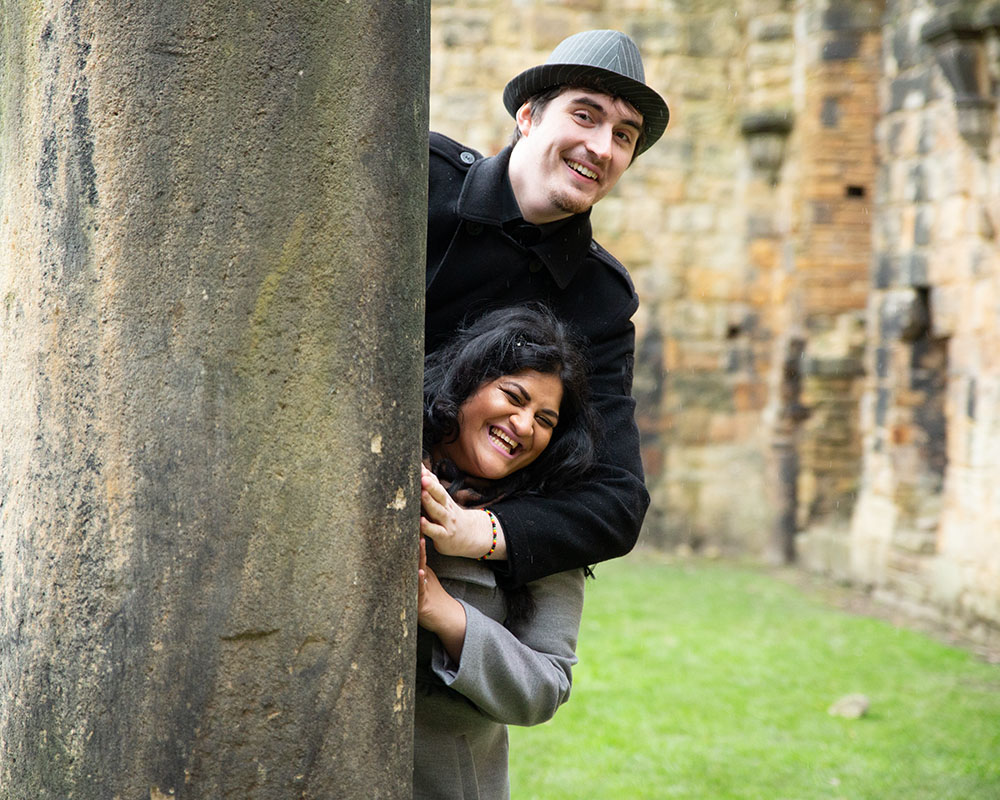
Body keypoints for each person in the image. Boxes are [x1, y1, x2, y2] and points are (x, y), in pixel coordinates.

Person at [424, 29, 670, 587]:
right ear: (528, 117)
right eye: (585, 116)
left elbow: (617, 500)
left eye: (624, 136)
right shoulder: (420, 182)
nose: (603, 148)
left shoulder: (602, 300)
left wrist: (480, 529)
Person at [414, 304, 597, 800]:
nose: (522, 425)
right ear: (469, 380)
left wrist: (444, 612)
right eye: (513, 397)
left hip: (445, 781)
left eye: (545, 419)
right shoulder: (386, 450)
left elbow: (545, 687)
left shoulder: (544, 527)